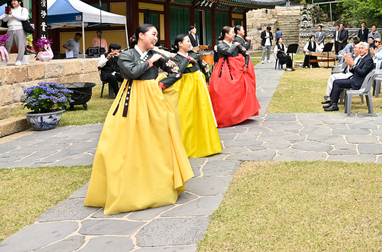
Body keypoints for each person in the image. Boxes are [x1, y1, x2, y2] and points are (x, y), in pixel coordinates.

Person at [85, 24, 193, 215]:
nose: (156, 38)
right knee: (120, 142)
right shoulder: (126, 55)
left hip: (152, 98)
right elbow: (132, 73)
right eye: (153, 34)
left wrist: (160, 84)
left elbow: (176, 71)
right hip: (130, 99)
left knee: (157, 140)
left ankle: (159, 185)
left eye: (157, 35)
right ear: (140, 36)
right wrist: (152, 60)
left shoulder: (156, 53)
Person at [165, 34, 221, 158]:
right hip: (184, 89)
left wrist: (207, 80)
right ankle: (186, 146)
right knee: (185, 115)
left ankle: (206, 144)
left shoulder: (195, 55)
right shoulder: (174, 59)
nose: (190, 44)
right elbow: (176, 71)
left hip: (198, 86)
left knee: (202, 113)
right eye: (188, 41)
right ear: (179, 44)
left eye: (190, 41)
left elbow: (205, 67)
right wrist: (187, 60)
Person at [209, 25, 259, 127]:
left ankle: (239, 115)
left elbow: (246, 53)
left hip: (237, 70)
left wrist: (245, 64)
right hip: (224, 71)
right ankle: (226, 116)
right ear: (226, 34)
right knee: (224, 93)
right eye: (232, 32)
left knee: (239, 92)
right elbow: (228, 52)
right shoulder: (220, 46)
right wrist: (234, 45)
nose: (234, 34)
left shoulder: (236, 44)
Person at [323, 41, 374, 112]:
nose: (360, 50)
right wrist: (350, 66)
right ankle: (332, 102)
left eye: (362, 48)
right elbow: (355, 71)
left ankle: (334, 104)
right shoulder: (361, 58)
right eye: (359, 48)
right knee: (336, 81)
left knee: (337, 82)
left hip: (358, 83)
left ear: (367, 50)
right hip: (355, 79)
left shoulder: (368, 60)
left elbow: (362, 73)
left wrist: (353, 65)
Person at [0, 0, 28, 65]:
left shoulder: (23, 10)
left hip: (20, 29)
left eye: (15, 1)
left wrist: (12, 14)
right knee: (6, 45)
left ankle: (19, 60)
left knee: (21, 45)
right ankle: (3, 59)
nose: (13, 2)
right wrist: (7, 14)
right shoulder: (9, 10)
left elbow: (24, 18)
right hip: (10, 29)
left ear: (19, 2)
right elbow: (4, 19)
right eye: (12, 1)